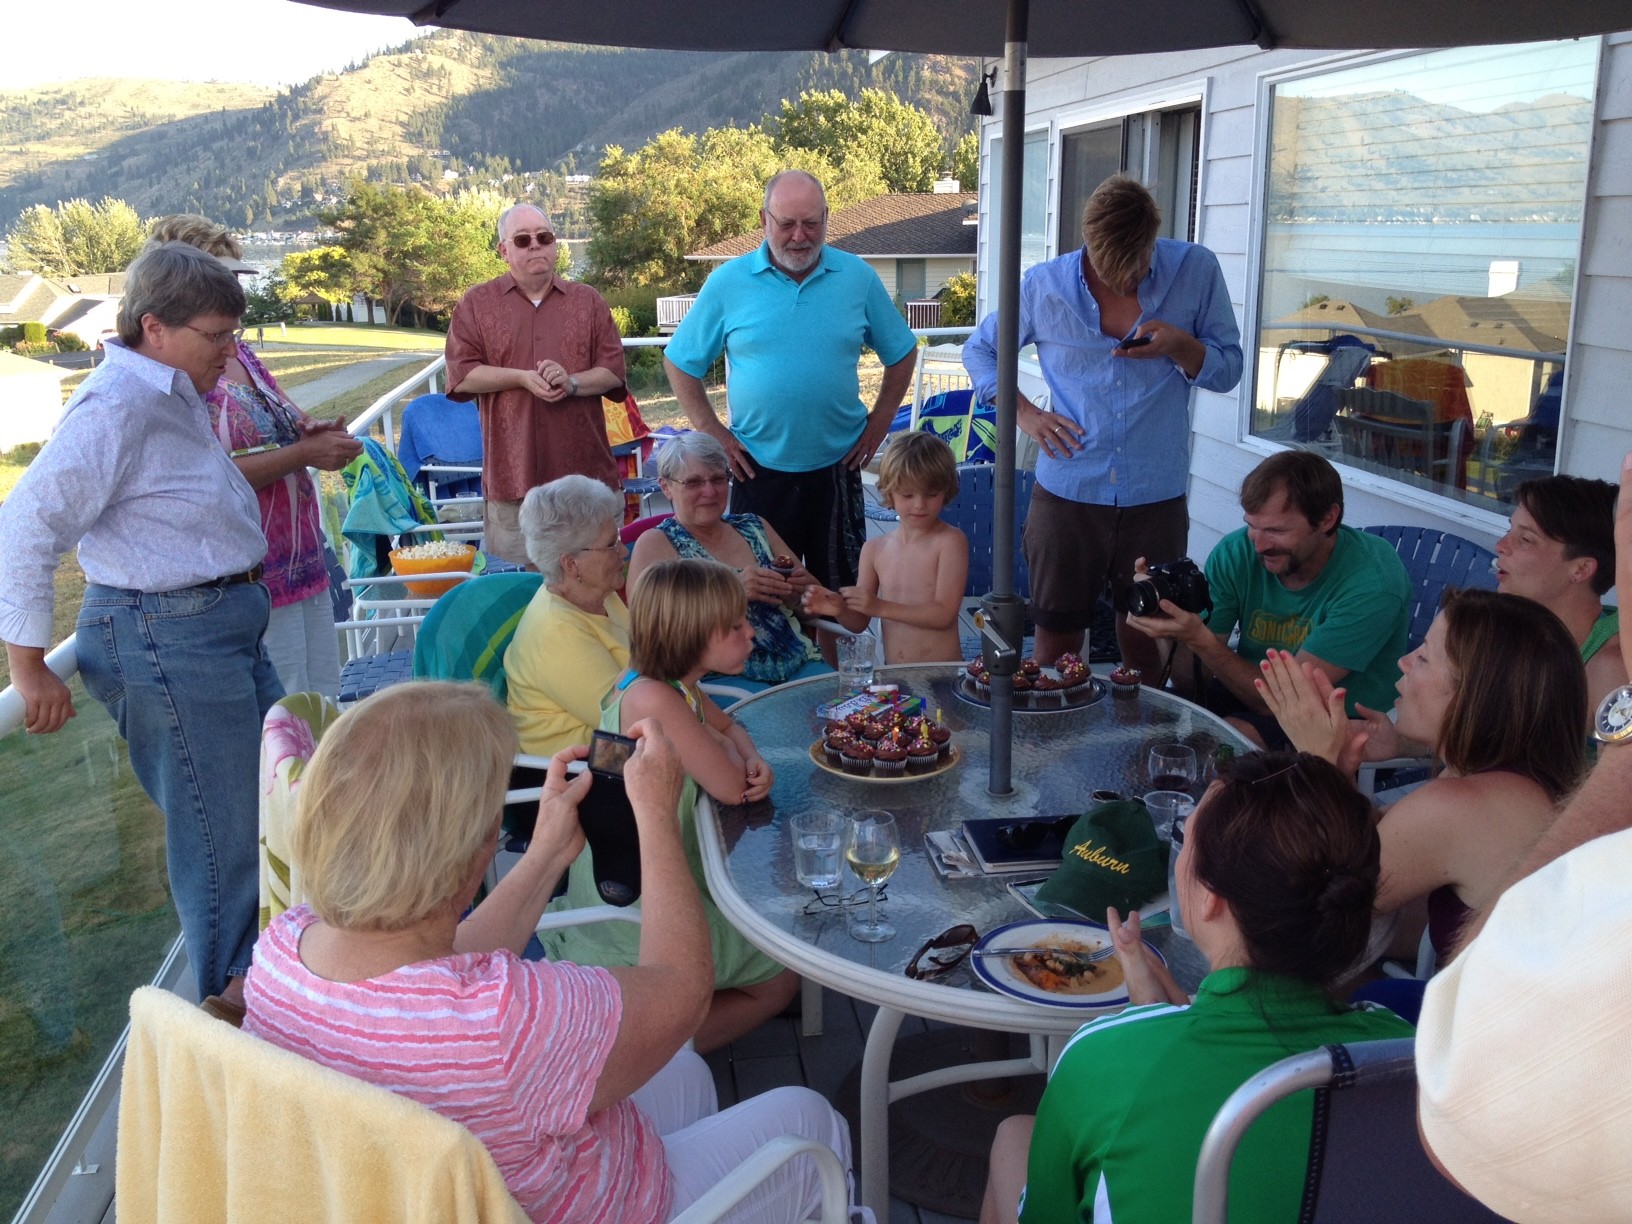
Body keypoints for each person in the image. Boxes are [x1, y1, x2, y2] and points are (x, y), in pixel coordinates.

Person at [243, 681, 852, 1224]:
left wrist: (546, 856)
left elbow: (430, 968)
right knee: (810, 1118)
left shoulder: (279, 955)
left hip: (484, 1177)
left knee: (685, 1072)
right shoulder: (505, 1019)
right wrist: (656, 817)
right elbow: (682, 990)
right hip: (606, 1204)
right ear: (467, 855)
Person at [0, 242, 283, 1003]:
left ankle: (273, 998)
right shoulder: (115, 405)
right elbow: (24, 525)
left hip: (216, 629)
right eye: (217, 336)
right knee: (223, 841)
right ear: (154, 327)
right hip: (168, 640)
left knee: (278, 808)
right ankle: (234, 1022)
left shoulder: (170, 387)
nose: (231, 354)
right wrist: (27, 667)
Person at [979, 751, 1414, 1224]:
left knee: (1011, 1138)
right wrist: (1166, 1021)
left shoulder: (1101, 1060)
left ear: (1209, 898)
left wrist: (1150, 1039)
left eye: (1184, 839)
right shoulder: (1403, 1053)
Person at [1415, 452, 1632, 1222]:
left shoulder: (1609, 673)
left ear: (1586, 569)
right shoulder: (1531, 638)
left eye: (1524, 538)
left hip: (1527, 894)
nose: (1500, 549)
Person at [962, 174, 1243, 674]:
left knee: (1146, 644)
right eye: (1108, 269)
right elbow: (981, 350)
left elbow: (1230, 369)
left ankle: (1137, 751)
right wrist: (1025, 413)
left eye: (1135, 270)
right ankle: (1057, 745)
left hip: (1156, 495)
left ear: (1153, 240)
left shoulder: (1196, 271)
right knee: (1054, 647)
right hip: (1067, 491)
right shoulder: (1043, 285)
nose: (1125, 282)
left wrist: (1181, 345)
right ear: (1087, 241)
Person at [541, 559, 797, 1052]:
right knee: (780, 980)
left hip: (644, 870)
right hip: (632, 898)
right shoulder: (656, 701)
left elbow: (729, 728)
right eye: (736, 628)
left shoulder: (661, 682)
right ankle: (651, 1052)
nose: (752, 636)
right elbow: (731, 788)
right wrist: (740, 763)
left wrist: (750, 753)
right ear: (693, 637)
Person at [1257, 587, 1586, 962]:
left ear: (1474, 696)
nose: (1404, 662)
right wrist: (1340, 771)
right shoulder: (1517, 779)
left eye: (1425, 658)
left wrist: (1316, 758)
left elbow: (1319, 910)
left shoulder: (1461, 805)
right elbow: (1372, 849)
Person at [663, 169, 919, 590]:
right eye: (786, 223)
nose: (799, 235)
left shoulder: (857, 277)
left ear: (826, 218)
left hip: (838, 466)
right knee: (766, 590)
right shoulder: (728, 282)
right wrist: (713, 434)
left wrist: (881, 419)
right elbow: (680, 363)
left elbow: (902, 350)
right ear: (764, 219)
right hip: (755, 469)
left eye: (811, 223)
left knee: (836, 593)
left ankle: (829, 660)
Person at [145, 213, 361, 699]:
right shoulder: (183, 370)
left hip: (302, 559)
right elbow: (208, 474)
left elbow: (288, 417)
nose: (236, 292)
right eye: (224, 278)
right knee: (286, 715)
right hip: (250, 574)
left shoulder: (241, 356)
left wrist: (311, 429)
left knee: (324, 698)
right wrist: (303, 452)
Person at [1127, 449, 1411, 749]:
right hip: (1249, 689)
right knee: (1149, 722)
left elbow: (1284, 703)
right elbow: (1189, 679)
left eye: (1276, 530)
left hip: (1337, 718)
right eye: (1252, 525)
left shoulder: (1372, 582)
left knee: (1226, 746)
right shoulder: (1236, 552)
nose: (1259, 545)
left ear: (1327, 519)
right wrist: (1167, 626)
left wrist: (1200, 639)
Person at [446, 202, 627, 567]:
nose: (535, 246)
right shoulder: (477, 304)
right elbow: (462, 374)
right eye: (523, 239)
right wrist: (519, 377)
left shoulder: (588, 301)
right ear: (503, 250)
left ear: (554, 244)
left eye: (543, 237)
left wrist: (572, 382)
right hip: (514, 480)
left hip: (586, 480)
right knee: (520, 598)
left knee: (599, 585)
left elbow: (613, 371)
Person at [626, 433, 828, 689]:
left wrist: (800, 594)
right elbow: (648, 634)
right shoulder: (656, 543)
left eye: (719, 479)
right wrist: (732, 592)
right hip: (723, 682)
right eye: (694, 482)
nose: (709, 491)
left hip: (802, 663)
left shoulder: (755, 527)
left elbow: (805, 606)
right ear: (666, 487)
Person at [803, 431, 969, 663]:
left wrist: (879, 607)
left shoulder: (950, 542)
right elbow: (860, 622)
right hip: (895, 678)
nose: (920, 505)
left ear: (946, 491)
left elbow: (943, 614)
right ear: (889, 492)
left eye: (931, 494)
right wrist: (838, 608)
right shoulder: (874, 549)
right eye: (908, 494)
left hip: (941, 675)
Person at [505, 475, 631, 757]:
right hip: (580, 775)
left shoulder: (599, 593)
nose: (623, 551)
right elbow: (627, 717)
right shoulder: (557, 633)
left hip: (621, 748)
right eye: (612, 544)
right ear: (571, 564)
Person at [1495, 474, 1622, 720]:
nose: (1501, 545)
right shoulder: (1516, 629)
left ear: (1581, 569)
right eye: (1509, 530)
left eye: (1525, 539)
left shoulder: (1611, 668)